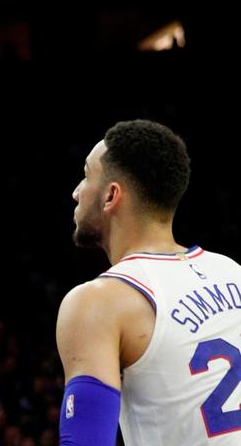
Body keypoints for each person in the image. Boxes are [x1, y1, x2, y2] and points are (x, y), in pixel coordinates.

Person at [57, 119, 241, 446]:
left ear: (111, 195)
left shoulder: (99, 301)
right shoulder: (231, 270)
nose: (76, 191)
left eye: (86, 175)